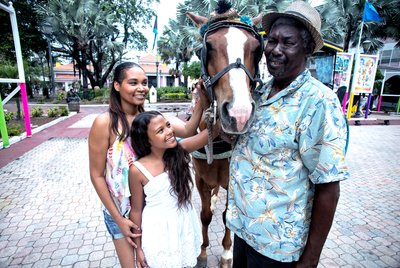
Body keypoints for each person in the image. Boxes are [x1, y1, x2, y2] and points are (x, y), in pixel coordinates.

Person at [226, 1, 350, 267]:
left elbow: (329, 187)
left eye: (288, 43)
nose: (275, 50)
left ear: (307, 50)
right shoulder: (256, 93)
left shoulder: (318, 102)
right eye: (271, 41)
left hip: (277, 247)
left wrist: (311, 259)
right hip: (243, 231)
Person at [88, 62, 203, 267]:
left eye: (144, 82)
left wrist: (202, 100)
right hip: (121, 212)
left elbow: (187, 130)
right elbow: (96, 175)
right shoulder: (104, 123)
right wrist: (119, 220)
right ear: (117, 85)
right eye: (133, 83)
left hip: (149, 213)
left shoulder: (150, 119)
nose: (141, 88)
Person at [129, 111, 220, 268]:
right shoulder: (137, 170)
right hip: (158, 231)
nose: (169, 131)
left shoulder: (180, 150)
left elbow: (211, 133)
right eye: (160, 130)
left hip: (183, 223)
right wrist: (138, 248)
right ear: (146, 139)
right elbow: (136, 211)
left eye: (168, 125)